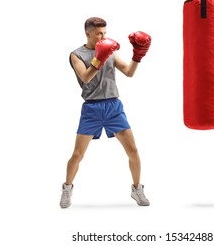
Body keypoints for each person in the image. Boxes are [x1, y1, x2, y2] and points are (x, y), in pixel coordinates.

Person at [60, 17, 151, 208]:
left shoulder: (109, 50)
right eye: (98, 33)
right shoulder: (76, 54)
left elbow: (128, 72)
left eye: (105, 33)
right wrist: (98, 58)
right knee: (77, 155)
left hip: (113, 107)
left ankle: (137, 189)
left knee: (133, 151)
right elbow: (85, 77)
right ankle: (67, 189)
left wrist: (137, 55)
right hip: (91, 108)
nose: (102, 37)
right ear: (88, 33)